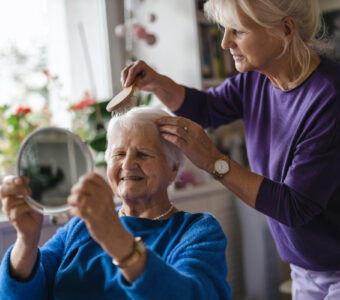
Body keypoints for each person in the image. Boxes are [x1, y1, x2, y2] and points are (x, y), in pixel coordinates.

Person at [120, 0, 340, 299]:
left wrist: (213, 161)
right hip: (306, 267)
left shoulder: (330, 98)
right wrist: (157, 83)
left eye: (237, 30)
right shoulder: (255, 79)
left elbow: (294, 206)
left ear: (285, 29)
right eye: (225, 30)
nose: (225, 43)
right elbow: (207, 108)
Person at [0, 106, 231, 300]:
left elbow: (191, 294)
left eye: (142, 154)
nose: (128, 164)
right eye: (119, 154)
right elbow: (19, 293)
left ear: (173, 168)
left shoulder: (197, 231)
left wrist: (113, 235)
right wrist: (26, 240)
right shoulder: (78, 227)